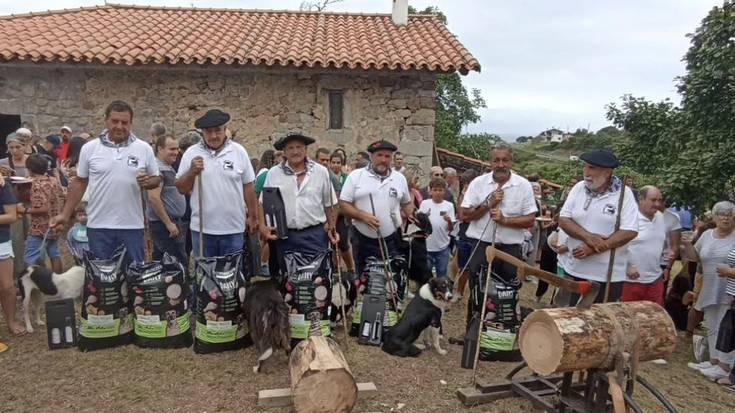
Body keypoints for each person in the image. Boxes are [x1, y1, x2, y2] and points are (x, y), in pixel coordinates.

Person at [50, 100, 161, 265]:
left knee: (133, 277)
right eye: (115, 121)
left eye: (124, 122)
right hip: (98, 226)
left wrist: (148, 182)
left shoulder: (143, 148)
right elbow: (80, 182)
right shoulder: (90, 148)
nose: (119, 126)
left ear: (131, 123)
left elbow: (156, 178)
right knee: (102, 281)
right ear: (106, 120)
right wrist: (65, 214)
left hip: (131, 226)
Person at [461, 143, 537, 324]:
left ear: (511, 161)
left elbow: (530, 220)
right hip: (481, 246)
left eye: (505, 160)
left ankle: (502, 335)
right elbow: (464, 215)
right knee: (477, 291)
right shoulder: (478, 184)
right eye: (497, 160)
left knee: (507, 292)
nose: (501, 164)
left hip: (510, 249)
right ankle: (473, 334)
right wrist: (488, 204)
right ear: (490, 162)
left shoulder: (523, 185)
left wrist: (505, 221)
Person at [175, 109, 258, 257]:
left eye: (218, 130)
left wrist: (253, 216)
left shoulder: (239, 152)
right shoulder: (191, 153)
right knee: (206, 277)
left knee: (231, 276)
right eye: (208, 131)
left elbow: (248, 187)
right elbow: (181, 188)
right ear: (202, 133)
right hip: (202, 229)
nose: (213, 136)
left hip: (233, 229)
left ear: (225, 130)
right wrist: (192, 172)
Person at [558, 150, 638, 304]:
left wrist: (594, 247)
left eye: (592, 168)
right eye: (585, 167)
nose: (586, 172)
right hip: (574, 269)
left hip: (606, 277)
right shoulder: (579, 188)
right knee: (567, 317)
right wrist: (589, 238)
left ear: (607, 172)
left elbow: (630, 230)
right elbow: (564, 219)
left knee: (598, 323)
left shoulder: (624, 194)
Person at [260, 134, 338, 273]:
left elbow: (330, 204)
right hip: (285, 236)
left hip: (315, 235)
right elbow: (262, 202)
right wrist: (263, 227)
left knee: (317, 281)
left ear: (306, 149)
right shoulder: (273, 173)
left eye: (299, 147)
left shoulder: (321, 172)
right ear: (284, 151)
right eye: (290, 148)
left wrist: (332, 225)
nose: (295, 151)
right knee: (287, 281)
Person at [340, 140, 414, 272]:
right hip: (361, 239)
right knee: (363, 280)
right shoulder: (356, 176)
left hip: (391, 240)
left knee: (390, 279)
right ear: (371, 156)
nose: (383, 160)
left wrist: (417, 220)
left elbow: (406, 203)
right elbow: (344, 203)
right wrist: (361, 216)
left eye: (387, 156)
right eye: (379, 155)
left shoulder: (399, 178)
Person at [686, 201, 735, 380]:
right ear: (714, 217)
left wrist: (728, 272)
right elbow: (695, 258)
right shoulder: (707, 234)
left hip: (729, 289)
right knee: (712, 325)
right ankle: (714, 361)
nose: (725, 217)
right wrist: (688, 245)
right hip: (709, 285)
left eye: (729, 214)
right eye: (721, 214)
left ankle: (725, 366)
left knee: (726, 328)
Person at [621, 186, 670, 305]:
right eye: (653, 200)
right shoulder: (629, 219)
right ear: (641, 199)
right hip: (630, 281)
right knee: (629, 317)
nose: (657, 204)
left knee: (652, 318)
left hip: (654, 280)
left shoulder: (660, 217)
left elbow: (658, 243)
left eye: (660, 200)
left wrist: (666, 258)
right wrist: (627, 266)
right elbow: (616, 246)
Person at [146, 134, 187, 265]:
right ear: (160, 149)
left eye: (177, 149)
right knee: (174, 264)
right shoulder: (157, 170)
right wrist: (169, 223)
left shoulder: (166, 167)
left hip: (170, 224)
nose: (176, 152)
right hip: (165, 226)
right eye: (172, 149)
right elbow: (153, 198)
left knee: (165, 262)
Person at [21, 155, 63, 273]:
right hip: (54, 222)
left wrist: (24, 210)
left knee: (30, 256)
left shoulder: (36, 185)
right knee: (54, 253)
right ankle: (58, 279)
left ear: (29, 169)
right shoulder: (52, 180)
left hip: (39, 227)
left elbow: (43, 208)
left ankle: (32, 281)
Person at [0, 133, 30, 277]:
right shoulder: (3, 163)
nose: (15, 151)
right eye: (11, 147)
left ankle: (34, 272)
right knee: (16, 239)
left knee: (32, 238)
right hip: (12, 204)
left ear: (25, 146)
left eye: (18, 147)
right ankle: (18, 273)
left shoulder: (32, 161)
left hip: (31, 204)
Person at [450, 168, 478, 302]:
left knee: (477, 268)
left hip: (478, 237)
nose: (466, 185)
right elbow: (462, 216)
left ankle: (476, 293)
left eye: (469, 183)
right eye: (464, 183)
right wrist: (463, 195)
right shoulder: (463, 195)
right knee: (463, 267)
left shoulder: (481, 196)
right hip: (464, 234)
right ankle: (460, 292)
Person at [419, 177, 456, 278]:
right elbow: (419, 224)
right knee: (426, 274)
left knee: (442, 273)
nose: (438, 192)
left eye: (440, 190)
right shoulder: (424, 204)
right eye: (435, 190)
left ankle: (440, 293)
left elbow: (451, 229)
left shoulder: (449, 206)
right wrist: (424, 217)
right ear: (430, 191)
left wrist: (448, 220)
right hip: (427, 247)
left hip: (443, 247)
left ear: (444, 191)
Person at [0, 176, 20, 335]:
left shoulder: (3, 186)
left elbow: (12, 216)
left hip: (1, 241)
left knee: (7, 286)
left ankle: (11, 321)